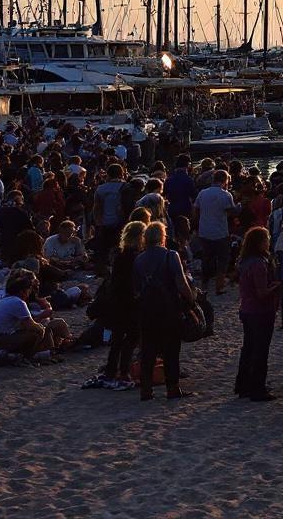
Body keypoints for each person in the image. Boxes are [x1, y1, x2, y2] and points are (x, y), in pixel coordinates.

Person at [133, 222, 197, 401]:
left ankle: (146, 390)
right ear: (163, 236)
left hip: (147, 309)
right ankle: (172, 388)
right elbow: (181, 282)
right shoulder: (171, 255)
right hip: (169, 308)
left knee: (148, 350)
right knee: (171, 350)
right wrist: (191, 300)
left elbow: (136, 288)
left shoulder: (139, 259)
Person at [0, 268, 63, 360]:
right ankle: (38, 354)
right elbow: (31, 326)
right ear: (22, 291)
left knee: (38, 331)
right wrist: (43, 328)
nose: (29, 292)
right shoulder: (18, 302)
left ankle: (44, 352)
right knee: (36, 333)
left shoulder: (4, 300)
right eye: (28, 290)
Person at [233, 226, 280, 402]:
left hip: (247, 309)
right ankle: (257, 388)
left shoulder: (244, 262)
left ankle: (243, 384)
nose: (269, 243)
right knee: (260, 350)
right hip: (260, 311)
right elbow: (262, 292)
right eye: (267, 239)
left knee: (248, 348)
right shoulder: (259, 264)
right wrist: (277, 286)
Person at [99, 220, 145, 389]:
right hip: (129, 301)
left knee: (118, 338)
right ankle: (124, 371)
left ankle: (111, 370)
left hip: (117, 300)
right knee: (131, 337)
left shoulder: (120, 254)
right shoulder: (134, 256)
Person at [192, 170, 237, 295]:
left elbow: (195, 209)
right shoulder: (226, 195)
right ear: (225, 181)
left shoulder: (202, 193)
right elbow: (232, 212)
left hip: (204, 231)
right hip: (220, 232)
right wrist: (240, 206)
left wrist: (196, 224)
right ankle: (219, 286)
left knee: (207, 258)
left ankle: (204, 285)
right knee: (222, 259)